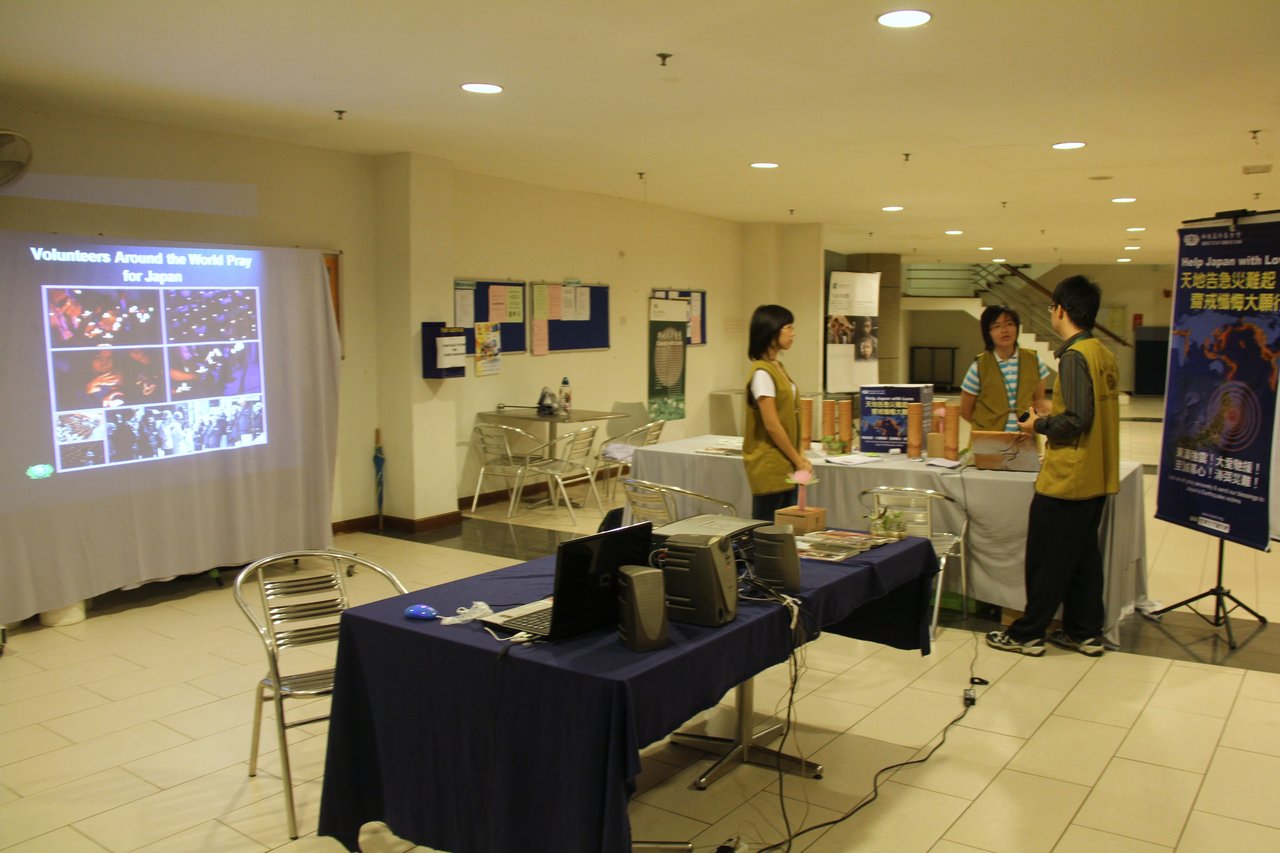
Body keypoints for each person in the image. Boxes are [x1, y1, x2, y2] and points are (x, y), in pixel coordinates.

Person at [987, 276, 1121, 657]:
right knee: (1083, 559)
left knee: (1046, 558)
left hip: (1068, 477)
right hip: (1096, 474)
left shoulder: (1075, 356)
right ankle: (1085, 632)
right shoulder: (1103, 353)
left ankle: (1028, 633)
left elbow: (1075, 419)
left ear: (1060, 310)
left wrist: (1038, 424)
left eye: (1051, 307)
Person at [743, 304, 812, 521]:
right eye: (788, 327)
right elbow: (772, 425)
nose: (793, 333)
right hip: (770, 464)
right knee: (767, 528)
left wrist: (799, 456)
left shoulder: (777, 366)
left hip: (786, 461)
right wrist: (798, 460)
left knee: (788, 526)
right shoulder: (762, 372)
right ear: (772, 331)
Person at [959, 305, 1050, 431]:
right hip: (989, 438)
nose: (1004, 330)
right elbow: (965, 411)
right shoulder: (979, 366)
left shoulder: (1035, 361)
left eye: (1009, 324)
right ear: (988, 333)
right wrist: (984, 427)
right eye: (997, 326)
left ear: (1017, 327)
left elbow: (1038, 402)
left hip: (1025, 437)